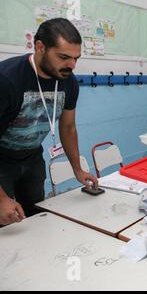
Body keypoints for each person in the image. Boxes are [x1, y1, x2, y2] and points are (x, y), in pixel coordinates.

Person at [0, 18, 98, 226]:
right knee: (5, 222)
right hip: (2, 161)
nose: (71, 65)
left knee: (35, 216)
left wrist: (77, 169)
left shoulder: (68, 82)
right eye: (64, 57)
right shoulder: (7, 79)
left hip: (32, 158)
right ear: (40, 47)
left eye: (76, 58)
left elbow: (68, 127)